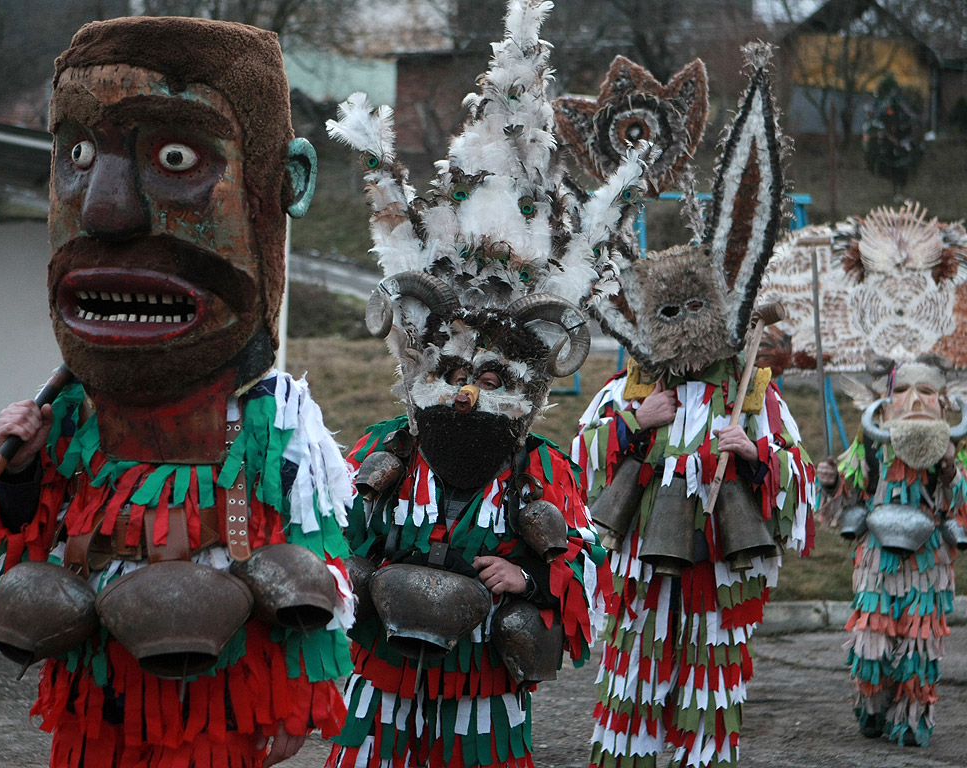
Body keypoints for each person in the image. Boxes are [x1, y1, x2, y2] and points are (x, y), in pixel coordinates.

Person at [0, 17, 354, 768]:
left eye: (177, 156)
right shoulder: (67, 413)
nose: (107, 210)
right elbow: (32, 534)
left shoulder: (275, 419)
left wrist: (294, 699)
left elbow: (313, 563)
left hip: (220, 694)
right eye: (76, 154)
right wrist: (19, 474)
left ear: (282, 183)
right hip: (99, 686)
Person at [320, 1, 632, 765]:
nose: (464, 394)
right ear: (422, 368)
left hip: (482, 689)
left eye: (490, 376)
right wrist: (364, 573)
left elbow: (588, 562)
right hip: (383, 681)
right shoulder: (383, 450)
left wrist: (527, 575)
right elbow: (332, 541)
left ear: (526, 384)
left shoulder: (540, 472)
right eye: (453, 372)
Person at [566, 45, 816, 767]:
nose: (682, 326)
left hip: (718, 567)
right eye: (667, 310)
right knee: (637, 671)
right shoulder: (631, 390)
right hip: (644, 563)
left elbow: (799, 481)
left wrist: (757, 454)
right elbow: (580, 462)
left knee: (709, 683)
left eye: (694, 308)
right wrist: (630, 424)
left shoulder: (756, 397)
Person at [817, 356, 967, 747]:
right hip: (876, 561)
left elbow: (961, 508)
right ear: (884, 401)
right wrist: (833, 484)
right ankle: (872, 706)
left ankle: (912, 719)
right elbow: (846, 499)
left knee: (919, 648)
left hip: (928, 561)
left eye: (927, 392)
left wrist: (951, 470)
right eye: (901, 391)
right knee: (871, 644)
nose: (914, 400)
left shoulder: (955, 447)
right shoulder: (869, 443)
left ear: (944, 401)